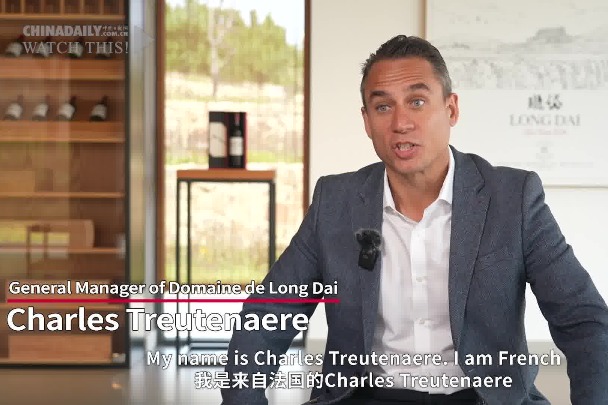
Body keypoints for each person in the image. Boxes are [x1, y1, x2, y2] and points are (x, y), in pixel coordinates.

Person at [221, 35, 608, 405]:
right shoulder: (335, 202)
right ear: (366, 121)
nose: (401, 122)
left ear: (451, 109)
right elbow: (268, 316)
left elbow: (584, 321)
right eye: (383, 107)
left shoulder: (513, 198)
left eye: (417, 102)